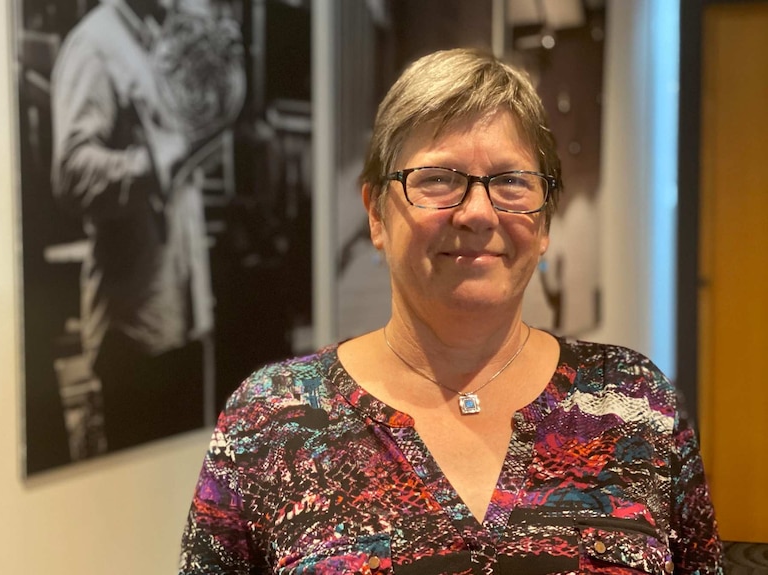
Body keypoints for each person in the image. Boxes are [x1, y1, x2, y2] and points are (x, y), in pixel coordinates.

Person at [177, 48, 723, 574]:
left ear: (546, 220)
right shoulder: (273, 420)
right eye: (439, 179)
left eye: (511, 181)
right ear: (375, 214)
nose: (477, 213)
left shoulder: (634, 401)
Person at [51, 0, 244, 451]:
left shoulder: (162, 40)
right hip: (135, 326)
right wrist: (157, 160)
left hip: (187, 309)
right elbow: (72, 174)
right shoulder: (94, 45)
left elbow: (189, 143)